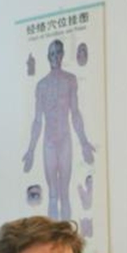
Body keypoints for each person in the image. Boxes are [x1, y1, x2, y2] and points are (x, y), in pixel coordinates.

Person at [23, 39, 95, 221]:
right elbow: (37, 120)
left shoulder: (70, 80)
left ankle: (66, 242)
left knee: (64, 193)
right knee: (53, 194)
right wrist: (31, 150)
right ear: (48, 57)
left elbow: (75, 113)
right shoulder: (41, 85)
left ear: (62, 55)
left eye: (58, 53)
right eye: (52, 53)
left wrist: (84, 142)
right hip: (49, 143)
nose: (55, 57)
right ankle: (54, 243)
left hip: (64, 140)